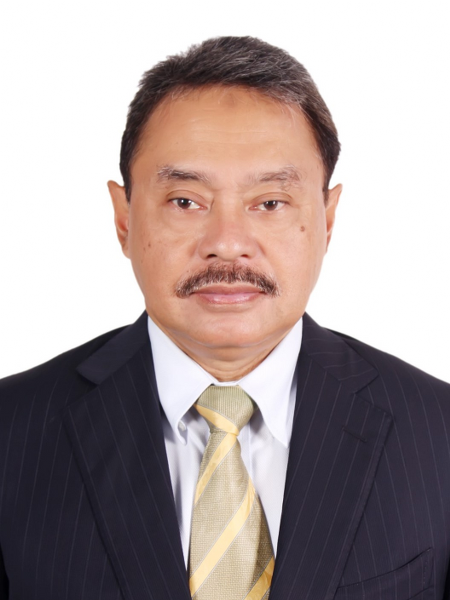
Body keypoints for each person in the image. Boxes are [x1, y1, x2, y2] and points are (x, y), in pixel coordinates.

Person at [0, 36, 449, 600]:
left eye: (270, 202)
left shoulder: (438, 432)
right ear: (124, 219)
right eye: (186, 201)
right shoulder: (11, 432)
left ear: (328, 219)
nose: (229, 243)